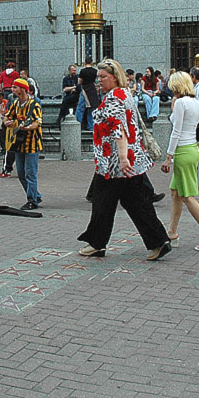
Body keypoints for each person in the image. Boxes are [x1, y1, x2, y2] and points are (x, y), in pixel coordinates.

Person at [77, 58, 172, 261]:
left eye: (103, 77)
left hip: (115, 163)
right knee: (136, 203)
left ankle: (97, 243)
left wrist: (121, 157)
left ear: (115, 77)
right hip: (126, 160)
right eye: (98, 77)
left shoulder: (114, 98)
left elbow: (118, 128)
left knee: (104, 202)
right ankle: (158, 241)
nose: (99, 81)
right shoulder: (124, 93)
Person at [160, 72, 199, 252]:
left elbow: (176, 131)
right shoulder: (195, 102)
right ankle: (172, 232)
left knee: (185, 195)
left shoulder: (180, 103)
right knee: (176, 192)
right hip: (192, 147)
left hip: (183, 150)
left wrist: (168, 156)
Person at [2, 78, 43, 210]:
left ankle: (32, 201)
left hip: (32, 143)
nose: (12, 90)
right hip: (18, 142)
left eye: (15, 87)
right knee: (20, 173)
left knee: (30, 173)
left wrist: (28, 127)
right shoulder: (14, 103)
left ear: (22, 89)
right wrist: (6, 122)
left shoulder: (34, 104)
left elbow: (37, 122)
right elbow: (7, 116)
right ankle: (36, 195)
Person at [76, 56, 98, 130]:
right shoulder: (95, 71)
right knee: (92, 108)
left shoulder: (82, 71)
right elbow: (97, 81)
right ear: (92, 63)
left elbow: (79, 82)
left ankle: (77, 123)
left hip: (84, 89)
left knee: (80, 107)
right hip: (92, 89)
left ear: (85, 63)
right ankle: (91, 126)